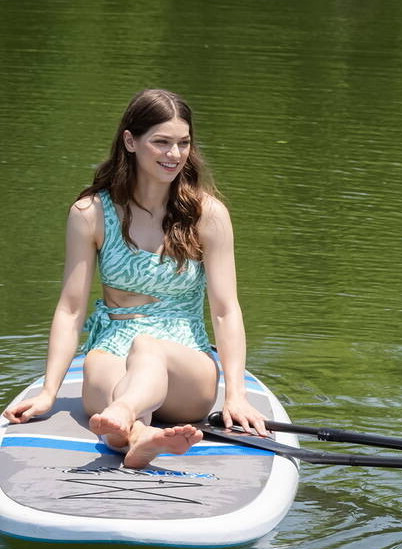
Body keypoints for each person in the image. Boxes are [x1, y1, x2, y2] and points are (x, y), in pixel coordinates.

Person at [3, 88, 267, 467]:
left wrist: (235, 396)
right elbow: (71, 308)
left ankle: (123, 413)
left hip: (186, 366)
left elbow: (225, 311)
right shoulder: (91, 213)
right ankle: (138, 435)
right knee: (106, 361)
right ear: (130, 141)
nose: (174, 155)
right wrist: (48, 390)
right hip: (113, 349)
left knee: (147, 347)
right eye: (161, 142)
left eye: (183, 143)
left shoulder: (207, 215)